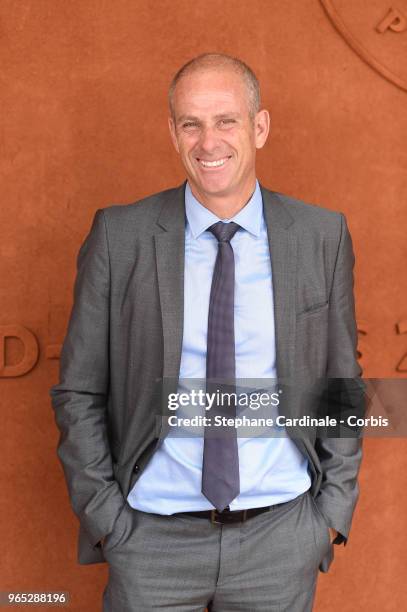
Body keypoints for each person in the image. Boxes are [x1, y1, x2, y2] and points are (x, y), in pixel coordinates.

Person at [50, 53, 364, 611]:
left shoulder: (321, 235)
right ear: (172, 133)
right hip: (149, 541)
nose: (208, 141)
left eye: (226, 121)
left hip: (281, 540)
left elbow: (342, 385)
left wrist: (330, 515)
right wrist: (107, 521)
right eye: (191, 123)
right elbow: (79, 391)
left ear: (259, 127)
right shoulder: (120, 236)